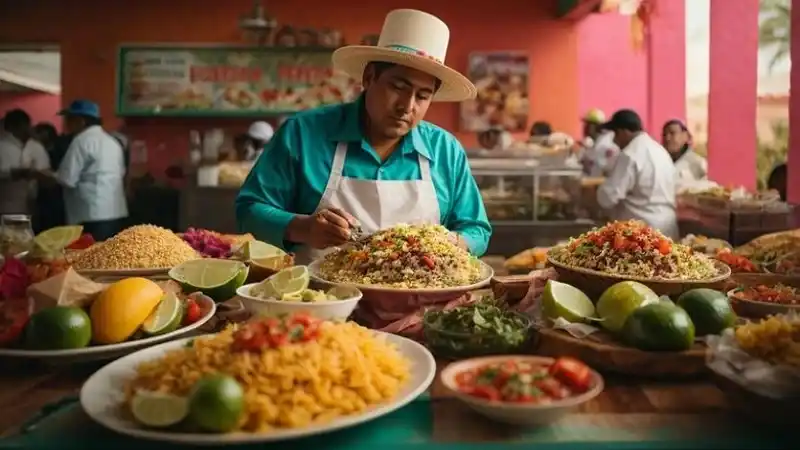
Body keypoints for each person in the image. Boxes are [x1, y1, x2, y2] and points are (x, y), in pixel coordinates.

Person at [236, 9, 491, 328]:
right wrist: (303, 227)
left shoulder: (445, 150)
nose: (407, 106)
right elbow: (249, 208)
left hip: (424, 319)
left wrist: (454, 244)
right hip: (322, 313)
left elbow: (477, 229)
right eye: (398, 86)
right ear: (369, 78)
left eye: (423, 97)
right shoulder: (303, 134)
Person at [34, 100, 128, 240]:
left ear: (81, 121)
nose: (66, 124)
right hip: (115, 212)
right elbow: (121, 173)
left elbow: (67, 179)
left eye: (68, 119)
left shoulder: (81, 141)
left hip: (89, 215)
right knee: (109, 257)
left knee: (89, 258)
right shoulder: (111, 141)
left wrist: (40, 174)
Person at [597, 109, 678, 238]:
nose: (614, 141)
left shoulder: (630, 154)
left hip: (643, 230)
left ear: (623, 132)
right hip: (667, 225)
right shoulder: (659, 149)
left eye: (615, 134)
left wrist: (596, 191)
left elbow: (609, 197)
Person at [0, 109, 50, 215]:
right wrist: (13, 173)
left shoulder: (36, 146)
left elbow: (46, 171)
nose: (26, 129)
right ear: (10, 128)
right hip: (6, 206)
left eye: (26, 125)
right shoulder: (2, 146)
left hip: (33, 205)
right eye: (20, 127)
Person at [31, 122, 66, 232]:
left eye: (38, 133)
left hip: (55, 194)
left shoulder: (59, 151)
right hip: (44, 195)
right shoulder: (37, 150)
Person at [662, 119, 707, 184]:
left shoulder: (698, 163)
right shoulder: (659, 161)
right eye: (664, 135)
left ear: (685, 136)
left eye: (672, 133)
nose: (667, 138)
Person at [579, 108, 619, 177]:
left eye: (588, 125)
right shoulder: (594, 143)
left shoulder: (604, 145)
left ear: (597, 126)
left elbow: (599, 170)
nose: (585, 128)